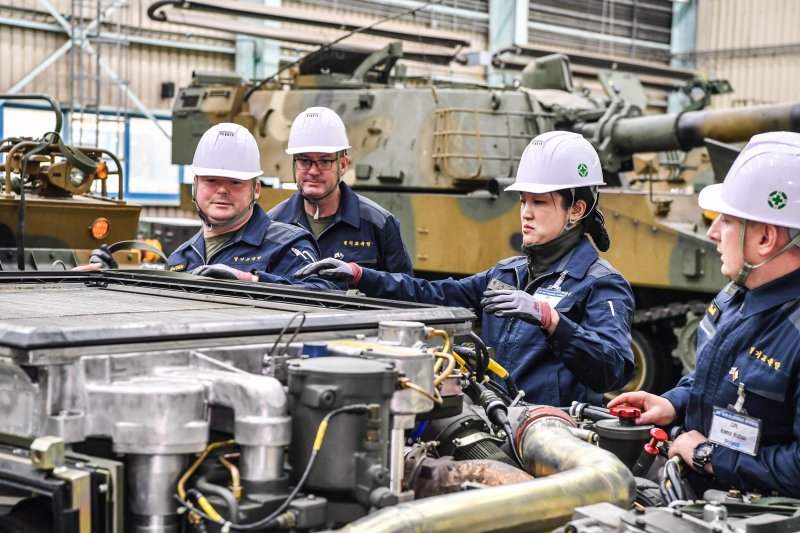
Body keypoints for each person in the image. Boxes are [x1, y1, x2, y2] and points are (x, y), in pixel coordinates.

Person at [296, 131, 635, 405]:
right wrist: (361, 275)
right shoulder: (507, 273)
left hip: (552, 433)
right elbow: (433, 293)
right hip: (496, 418)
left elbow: (613, 371)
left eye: (540, 202)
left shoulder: (601, 285)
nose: (526, 213)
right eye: (523, 202)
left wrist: (552, 320)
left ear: (576, 209)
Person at [609, 131, 800, 498]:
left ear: (765, 239)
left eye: (726, 221)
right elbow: (720, 377)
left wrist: (708, 456)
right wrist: (672, 403)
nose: (712, 232)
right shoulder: (739, 294)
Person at [88, 123, 338, 289]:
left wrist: (250, 280)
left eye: (235, 182)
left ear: (256, 189)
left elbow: (324, 294)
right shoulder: (180, 258)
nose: (221, 190)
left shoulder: (287, 245)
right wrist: (115, 280)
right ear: (196, 185)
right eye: (211, 180)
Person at [268, 106, 414, 275]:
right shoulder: (273, 225)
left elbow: (404, 291)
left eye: (324, 161)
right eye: (304, 161)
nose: (313, 171)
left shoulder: (378, 224)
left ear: (343, 165)